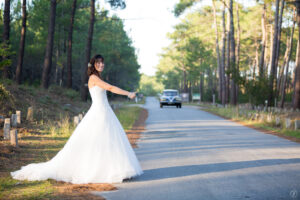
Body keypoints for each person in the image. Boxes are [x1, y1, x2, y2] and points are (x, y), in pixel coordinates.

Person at [11, 54, 143, 184]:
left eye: (102, 62)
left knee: (107, 141)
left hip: (104, 111)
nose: (101, 64)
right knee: (97, 141)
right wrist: (128, 93)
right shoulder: (93, 78)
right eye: (98, 63)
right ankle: (103, 171)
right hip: (99, 112)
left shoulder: (98, 77)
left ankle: (115, 170)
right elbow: (109, 87)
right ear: (93, 65)